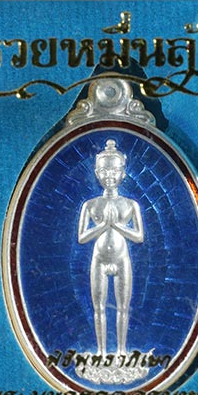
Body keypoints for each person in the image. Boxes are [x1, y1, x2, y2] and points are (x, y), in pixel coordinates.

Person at [78, 139, 144, 358]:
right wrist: (103, 226)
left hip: (121, 258)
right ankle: (102, 352)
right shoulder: (90, 205)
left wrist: (115, 225)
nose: (109, 176)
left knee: (123, 307)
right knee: (99, 307)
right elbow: (82, 238)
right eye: (104, 171)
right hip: (99, 259)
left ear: (122, 173)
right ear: (97, 173)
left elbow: (139, 236)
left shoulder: (130, 205)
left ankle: (122, 351)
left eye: (114, 171)